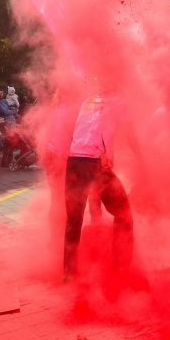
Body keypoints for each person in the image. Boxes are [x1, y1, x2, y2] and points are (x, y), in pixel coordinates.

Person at [63, 91, 134, 283]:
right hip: (94, 163)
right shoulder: (118, 99)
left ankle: (69, 273)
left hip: (74, 161)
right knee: (123, 213)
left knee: (74, 218)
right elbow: (124, 134)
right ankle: (121, 267)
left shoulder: (88, 100)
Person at [0, 87, 16, 168]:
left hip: (12, 123)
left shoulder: (5, 100)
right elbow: (5, 112)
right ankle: (5, 162)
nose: (0, 95)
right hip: (5, 125)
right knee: (7, 143)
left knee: (12, 142)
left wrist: (13, 111)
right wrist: (14, 111)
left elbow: (13, 108)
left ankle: (9, 160)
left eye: (1, 93)